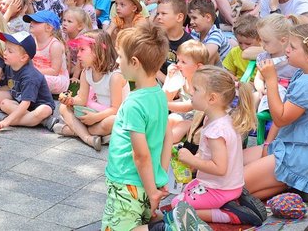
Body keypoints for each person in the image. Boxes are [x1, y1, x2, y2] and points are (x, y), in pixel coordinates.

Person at [242, 24, 308, 203]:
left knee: (233, 186)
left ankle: (302, 179)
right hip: (288, 146)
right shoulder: (302, 74)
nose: (286, 50)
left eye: (293, 47)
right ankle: (299, 183)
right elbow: (283, 118)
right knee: (234, 162)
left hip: (297, 156)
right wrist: (267, 144)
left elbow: (281, 118)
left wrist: (271, 80)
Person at [101, 23, 171, 231]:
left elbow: (140, 155)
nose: (117, 61)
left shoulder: (134, 103)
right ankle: (166, 224)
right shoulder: (159, 94)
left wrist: (152, 192)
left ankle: (170, 228)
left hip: (127, 181)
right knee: (141, 222)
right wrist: (160, 176)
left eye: (120, 57)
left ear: (134, 62)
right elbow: (167, 136)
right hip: (149, 180)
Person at [172, 67, 259, 225]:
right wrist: (194, 160)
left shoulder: (216, 131)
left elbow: (220, 168)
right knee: (185, 190)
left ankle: (230, 215)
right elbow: (207, 154)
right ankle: (230, 204)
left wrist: (192, 160)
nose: (190, 92)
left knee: (177, 205)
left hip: (221, 189)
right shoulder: (217, 119)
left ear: (212, 98)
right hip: (224, 185)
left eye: (195, 89)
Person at [53, 30, 124, 150]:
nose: (78, 55)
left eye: (82, 50)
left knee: (113, 121)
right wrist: (70, 101)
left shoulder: (115, 76)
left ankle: (74, 131)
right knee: (63, 107)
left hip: (112, 114)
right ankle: (90, 138)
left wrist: (95, 118)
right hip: (95, 110)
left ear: (97, 51)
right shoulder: (86, 72)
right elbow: (82, 99)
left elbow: (116, 109)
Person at [0, 30, 56, 131]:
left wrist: (6, 121)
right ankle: (43, 121)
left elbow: (25, 103)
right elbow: (9, 87)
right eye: (5, 49)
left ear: (23, 57)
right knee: (4, 103)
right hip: (22, 106)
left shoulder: (30, 76)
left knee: (44, 110)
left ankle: (5, 118)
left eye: (10, 51)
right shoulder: (10, 67)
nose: (4, 53)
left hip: (37, 106)